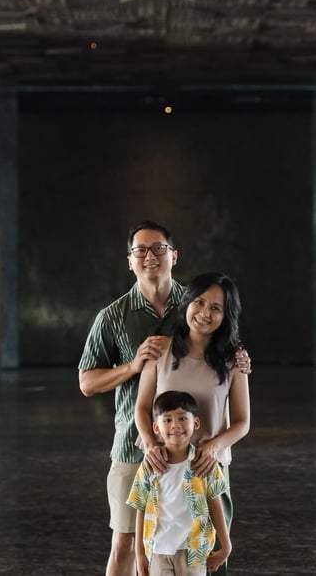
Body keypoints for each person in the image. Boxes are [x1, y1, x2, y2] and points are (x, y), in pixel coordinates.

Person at [78, 221, 252, 576]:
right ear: (129, 260)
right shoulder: (113, 317)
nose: (149, 256)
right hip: (139, 450)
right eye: (140, 250)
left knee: (203, 548)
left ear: (174, 255)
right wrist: (133, 365)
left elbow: (223, 335)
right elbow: (87, 382)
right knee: (129, 544)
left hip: (204, 462)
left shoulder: (195, 301)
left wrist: (241, 359)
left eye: (158, 248)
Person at [134, 272, 250, 576]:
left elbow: (242, 422)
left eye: (216, 308)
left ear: (226, 316)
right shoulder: (160, 350)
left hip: (207, 469)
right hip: (163, 467)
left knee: (211, 558)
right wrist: (150, 445)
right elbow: (143, 408)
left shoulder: (233, 362)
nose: (204, 313)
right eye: (199, 302)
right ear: (187, 303)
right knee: (161, 552)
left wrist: (212, 448)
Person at [127, 390, 231, 576]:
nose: (176, 425)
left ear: (195, 423)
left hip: (194, 550)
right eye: (167, 420)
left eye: (183, 418)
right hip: (158, 550)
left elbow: (215, 505)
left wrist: (226, 545)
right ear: (156, 428)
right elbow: (140, 509)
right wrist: (139, 553)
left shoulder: (205, 464)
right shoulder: (149, 467)